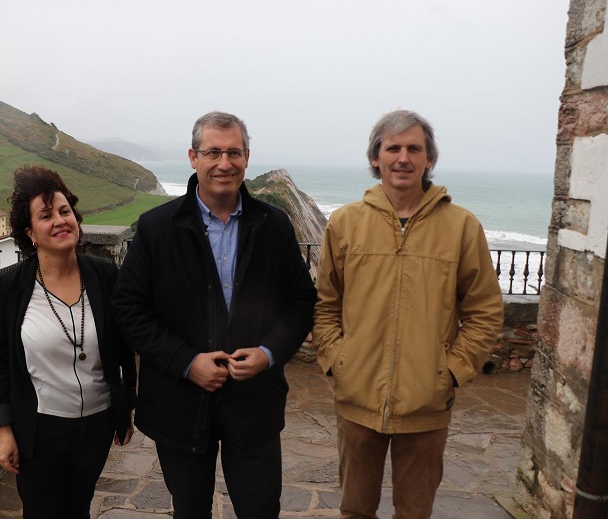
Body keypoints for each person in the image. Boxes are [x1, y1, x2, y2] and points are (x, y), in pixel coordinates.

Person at [113, 111, 316, 518]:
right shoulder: (156, 228)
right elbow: (128, 310)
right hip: (180, 402)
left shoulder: (273, 226)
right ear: (193, 157)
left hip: (254, 404)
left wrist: (269, 353)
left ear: (247, 157)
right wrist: (187, 362)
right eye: (213, 152)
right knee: (190, 510)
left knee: (260, 509)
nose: (224, 163)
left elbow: (301, 302)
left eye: (234, 153)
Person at [312, 110, 504, 518]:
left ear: (429, 159)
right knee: (355, 510)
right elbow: (326, 302)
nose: (403, 158)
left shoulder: (461, 226)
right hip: (356, 397)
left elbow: (485, 310)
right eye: (393, 148)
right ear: (375, 157)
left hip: (427, 403)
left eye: (414, 149)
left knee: (415, 512)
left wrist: (451, 370)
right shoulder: (345, 223)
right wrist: (337, 360)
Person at [0, 165, 136, 518]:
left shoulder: (105, 275)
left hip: (96, 425)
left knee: (79, 506)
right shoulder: (8, 285)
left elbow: (122, 346)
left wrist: (125, 407)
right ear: (30, 232)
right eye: (46, 215)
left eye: (65, 211)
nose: (59, 221)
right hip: (39, 429)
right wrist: (4, 428)